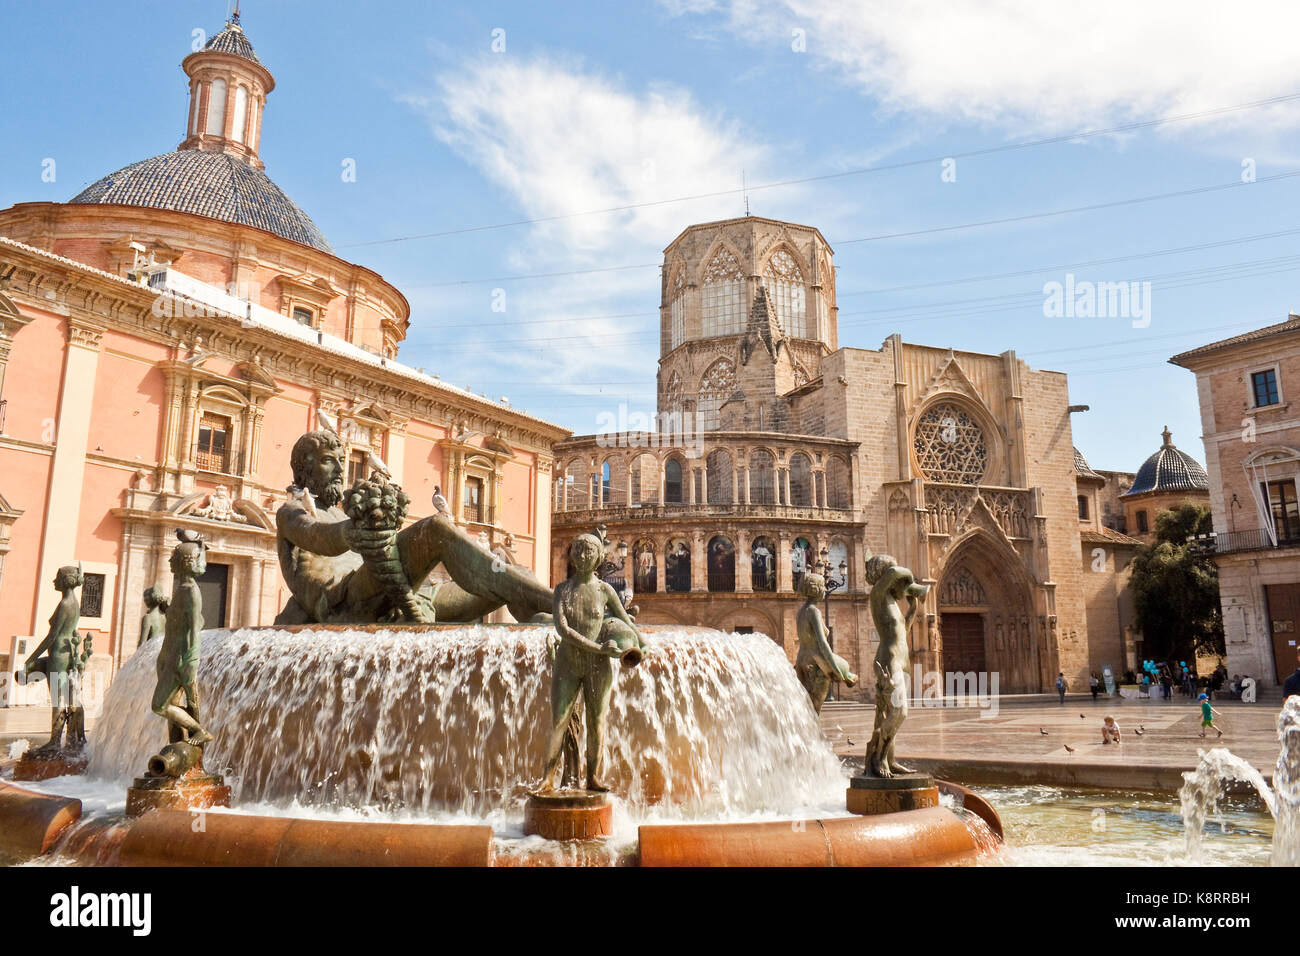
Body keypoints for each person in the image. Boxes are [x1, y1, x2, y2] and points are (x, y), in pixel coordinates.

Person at [537, 534, 647, 793]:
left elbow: (626, 620)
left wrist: (641, 643)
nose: (583, 556)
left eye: (589, 551)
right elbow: (563, 630)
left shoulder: (604, 590)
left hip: (598, 666)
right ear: (572, 556)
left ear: (599, 557)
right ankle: (547, 778)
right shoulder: (562, 591)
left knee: (597, 722)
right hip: (568, 662)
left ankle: (593, 777)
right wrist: (598, 647)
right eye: (578, 550)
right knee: (559, 720)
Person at [795, 572, 857, 714]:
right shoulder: (813, 611)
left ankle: (808, 735)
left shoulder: (801, 612)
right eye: (822, 587)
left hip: (801, 660)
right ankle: (814, 735)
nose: (825, 590)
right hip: (816, 662)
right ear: (815, 590)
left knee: (808, 706)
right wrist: (835, 669)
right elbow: (823, 644)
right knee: (815, 708)